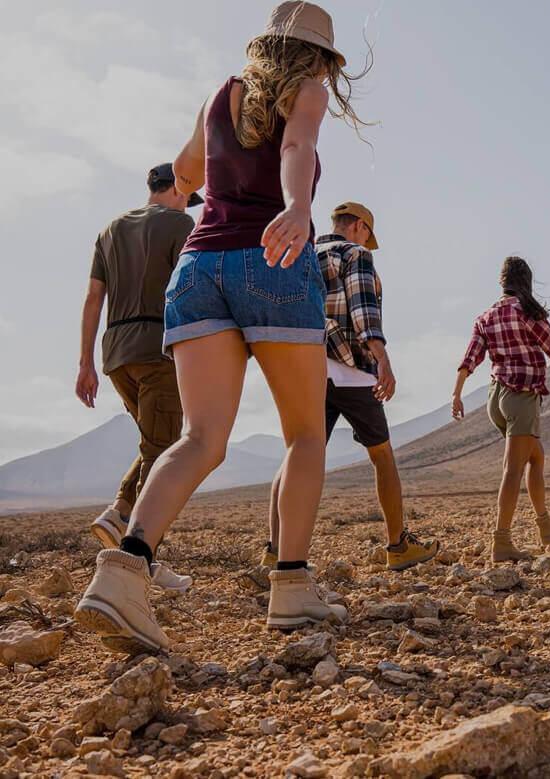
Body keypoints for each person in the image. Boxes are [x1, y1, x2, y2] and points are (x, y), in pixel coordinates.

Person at [75, 0, 364, 654]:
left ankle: (123, 572)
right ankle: (290, 588)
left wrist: (225, 161)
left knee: (200, 437)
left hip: (198, 266)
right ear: (318, 57)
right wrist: (295, 203)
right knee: (305, 435)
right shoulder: (308, 89)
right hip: (273, 258)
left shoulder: (219, 96)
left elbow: (185, 172)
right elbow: (297, 144)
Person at [265, 202, 439, 573]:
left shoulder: (301, 255)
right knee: (381, 455)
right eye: (366, 234)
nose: (366, 242)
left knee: (297, 454)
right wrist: (382, 358)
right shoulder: (354, 254)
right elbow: (362, 309)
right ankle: (398, 545)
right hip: (350, 371)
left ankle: (273, 549)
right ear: (359, 226)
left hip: (303, 369)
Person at [75, 163, 202, 592]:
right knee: (168, 453)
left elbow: (94, 297)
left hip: (115, 355)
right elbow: (190, 288)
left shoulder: (108, 230)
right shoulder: (180, 224)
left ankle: (121, 515)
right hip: (158, 348)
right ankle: (134, 562)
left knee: (156, 444)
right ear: (179, 190)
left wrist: (85, 362)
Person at [452, 256, 550, 563]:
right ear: (525, 281)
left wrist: (457, 394)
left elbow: (470, 359)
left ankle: (546, 526)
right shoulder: (527, 311)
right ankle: (501, 541)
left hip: (496, 398)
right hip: (521, 396)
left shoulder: (485, 316)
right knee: (513, 469)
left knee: (535, 456)